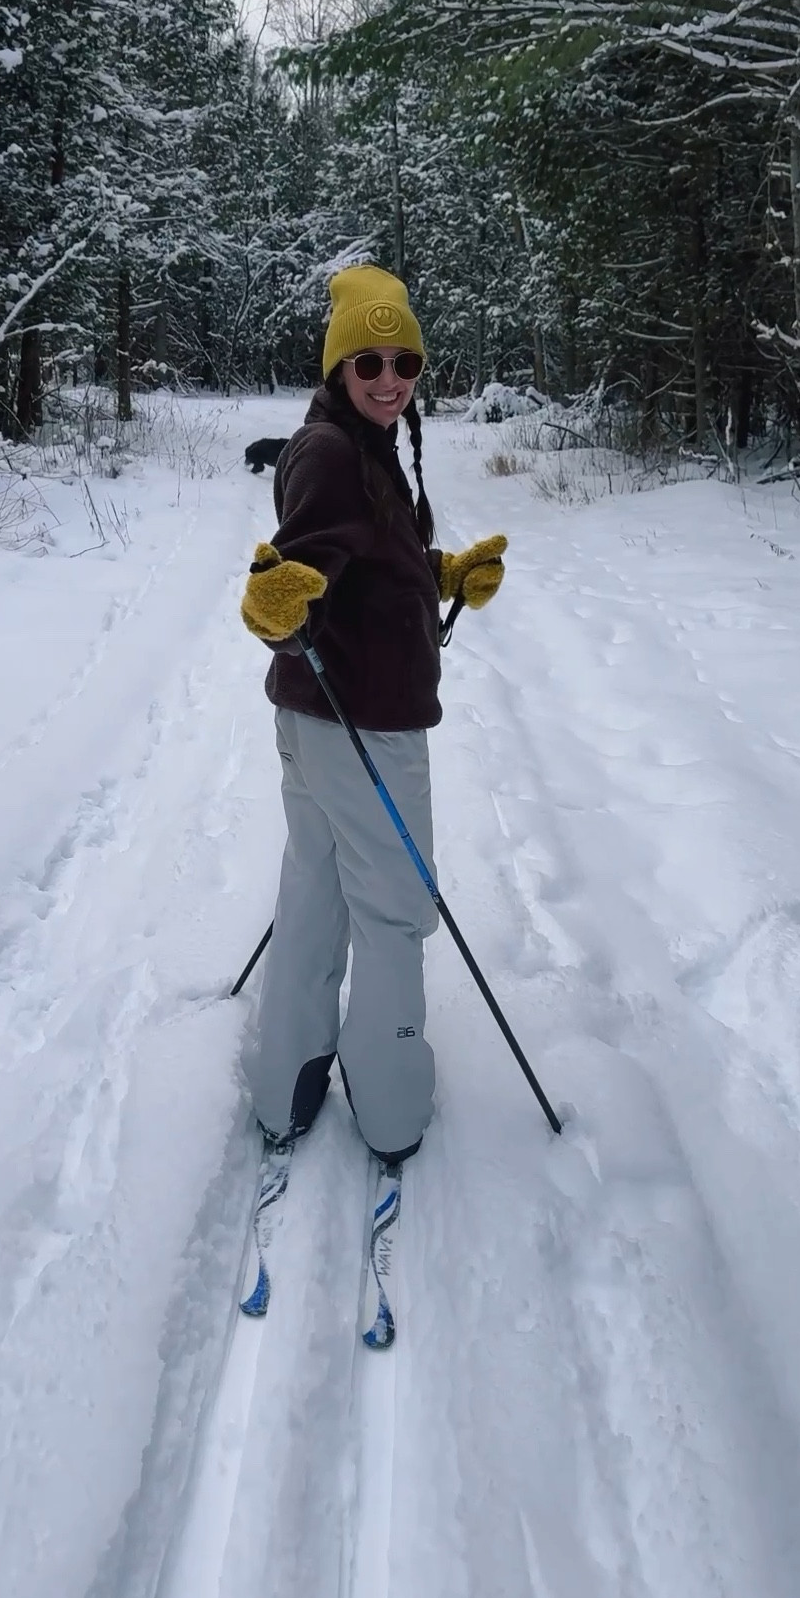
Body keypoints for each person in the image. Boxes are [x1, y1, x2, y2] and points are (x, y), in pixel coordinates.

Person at [240, 265, 507, 1163]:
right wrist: (276, 618)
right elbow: (297, 588)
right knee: (394, 911)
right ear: (338, 367)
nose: (390, 378)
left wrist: (442, 576)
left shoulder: (359, 439)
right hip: (361, 728)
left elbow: (360, 563)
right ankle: (392, 1112)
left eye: (406, 362)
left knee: (315, 889)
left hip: (325, 722)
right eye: (369, 362)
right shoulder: (326, 452)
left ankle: (286, 1088)